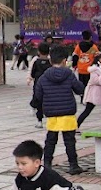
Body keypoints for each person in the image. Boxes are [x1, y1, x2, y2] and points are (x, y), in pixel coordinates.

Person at [34, 43, 84, 174]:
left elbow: (38, 95)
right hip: (68, 113)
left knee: (50, 140)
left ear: (50, 61)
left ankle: (47, 164)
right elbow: (79, 89)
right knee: (70, 141)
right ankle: (73, 165)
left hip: (52, 113)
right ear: (64, 61)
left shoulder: (44, 77)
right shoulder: (69, 74)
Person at [77, 50, 101, 128]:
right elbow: (96, 81)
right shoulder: (95, 69)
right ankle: (76, 126)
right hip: (94, 94)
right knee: (87, 111)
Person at [27, 43, 52, 127]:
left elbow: (32, 74)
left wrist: (31, 78)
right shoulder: (50, 63)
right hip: (49, 86)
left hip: (38, 85)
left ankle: (39, 121)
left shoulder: (36, 62)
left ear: (38, 52)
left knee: (39, 103)